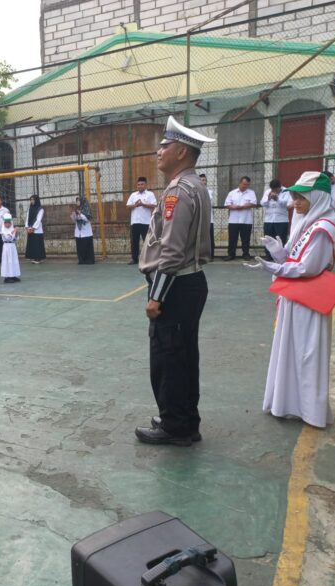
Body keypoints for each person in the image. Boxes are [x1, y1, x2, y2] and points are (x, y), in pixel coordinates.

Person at [244, 172, 335, 428]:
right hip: (296, 297)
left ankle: (309, 409)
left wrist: (275, 268)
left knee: (306, 353)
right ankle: (286, 403)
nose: (295, 203)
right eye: (295, 197)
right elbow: (294, 258)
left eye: (301, 197)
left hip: (308, 300)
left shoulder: (324, 228)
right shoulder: (308, 221)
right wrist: (279, 253)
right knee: (290, 349)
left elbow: (308, 268)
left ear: (318, 198)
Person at [135, 115, 212, 446]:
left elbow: (171, 251)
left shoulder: (178, 192)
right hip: (189, 282)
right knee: (183, 355)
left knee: (168, 358)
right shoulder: (195, 186)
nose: (159, 151)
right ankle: (183, 419)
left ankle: (175, 426)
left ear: (181, 151)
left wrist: (156, 297)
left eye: (164, 146)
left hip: (175, 285)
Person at [126, 177, 158, 264]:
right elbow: (128, 206)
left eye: (142, 184)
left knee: (147, 241)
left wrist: (143, 204)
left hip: (146, 222)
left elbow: (154, 205)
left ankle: (148, 259)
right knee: (134, 241)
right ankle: (134, 259)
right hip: (135, 222)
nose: (140, 186)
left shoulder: (150, 194)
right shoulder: (133, 195)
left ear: (145, 185)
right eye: (138, 185)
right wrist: (135, 205)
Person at [224, 176, 257, 260]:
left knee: (246, 239)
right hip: (233, 220)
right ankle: (231, 254)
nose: (245, 186)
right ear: (239, 183)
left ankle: (246, 254)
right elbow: (227, 204)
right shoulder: (232, 193)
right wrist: (234, 207)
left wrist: (244, 206)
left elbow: (254, 203)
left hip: (246, 220)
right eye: (244, 184)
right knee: (232, 238)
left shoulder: (251, 192)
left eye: (247, 185)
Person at [260, 179, 291, 260]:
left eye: (276, 189)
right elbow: (262, 203)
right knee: (268, 238)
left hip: (281, 220)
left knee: (281, 239)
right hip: (268, 219)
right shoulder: (267, 192)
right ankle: (268, 256)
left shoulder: (286, 191)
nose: (274, 191)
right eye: (272, 189)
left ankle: (281, 257)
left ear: (279, 187)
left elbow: (287, 204)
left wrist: (277, 198)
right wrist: (268, 199)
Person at [72, 196, 95, 265]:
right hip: (78, 232)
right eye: (76, 201)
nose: (77, 202)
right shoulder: (77, 209)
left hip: (86, 232)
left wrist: (80, 214)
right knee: (80, 247)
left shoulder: (86, 209)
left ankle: (89, 260)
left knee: (87, 247)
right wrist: (74, 217)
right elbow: (75, 221)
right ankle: (81, 260)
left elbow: (87, 218)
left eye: (78, 201)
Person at [24, 194, 46, 264]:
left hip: (37, 230)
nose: (32, 201)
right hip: (30, 229)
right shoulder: (29, 208)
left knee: (37, 245)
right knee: (32, 244)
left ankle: (38, 258)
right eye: (31, 200)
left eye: (33, 200)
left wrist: (33, 228)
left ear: (36, 200)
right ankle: (33, 257)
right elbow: (27, 218)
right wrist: (27, 227)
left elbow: (38, 220)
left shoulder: (40, 209)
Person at [0, 215, 21, 283]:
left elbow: (15, 238)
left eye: (9, 222)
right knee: (7, 261)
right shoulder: (3, 229)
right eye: (6, 222)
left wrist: (17, 232)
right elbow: (7, 237)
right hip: (6, 246)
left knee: (13, 260)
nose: (7, 224)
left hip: (12, 246)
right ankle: (7, 277)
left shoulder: (12, 228)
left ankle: (13, 275)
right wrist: (14, 231)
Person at [199, 173, 215, 259]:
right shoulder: (195, 191)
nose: (204, 182)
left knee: (209, 238)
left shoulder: (210, 192)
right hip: (198, 219)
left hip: (209, 219)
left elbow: (210, 203)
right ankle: (200, 255)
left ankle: (211, 255)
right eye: (202, 180)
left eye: (205, 180)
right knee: (199, 238)